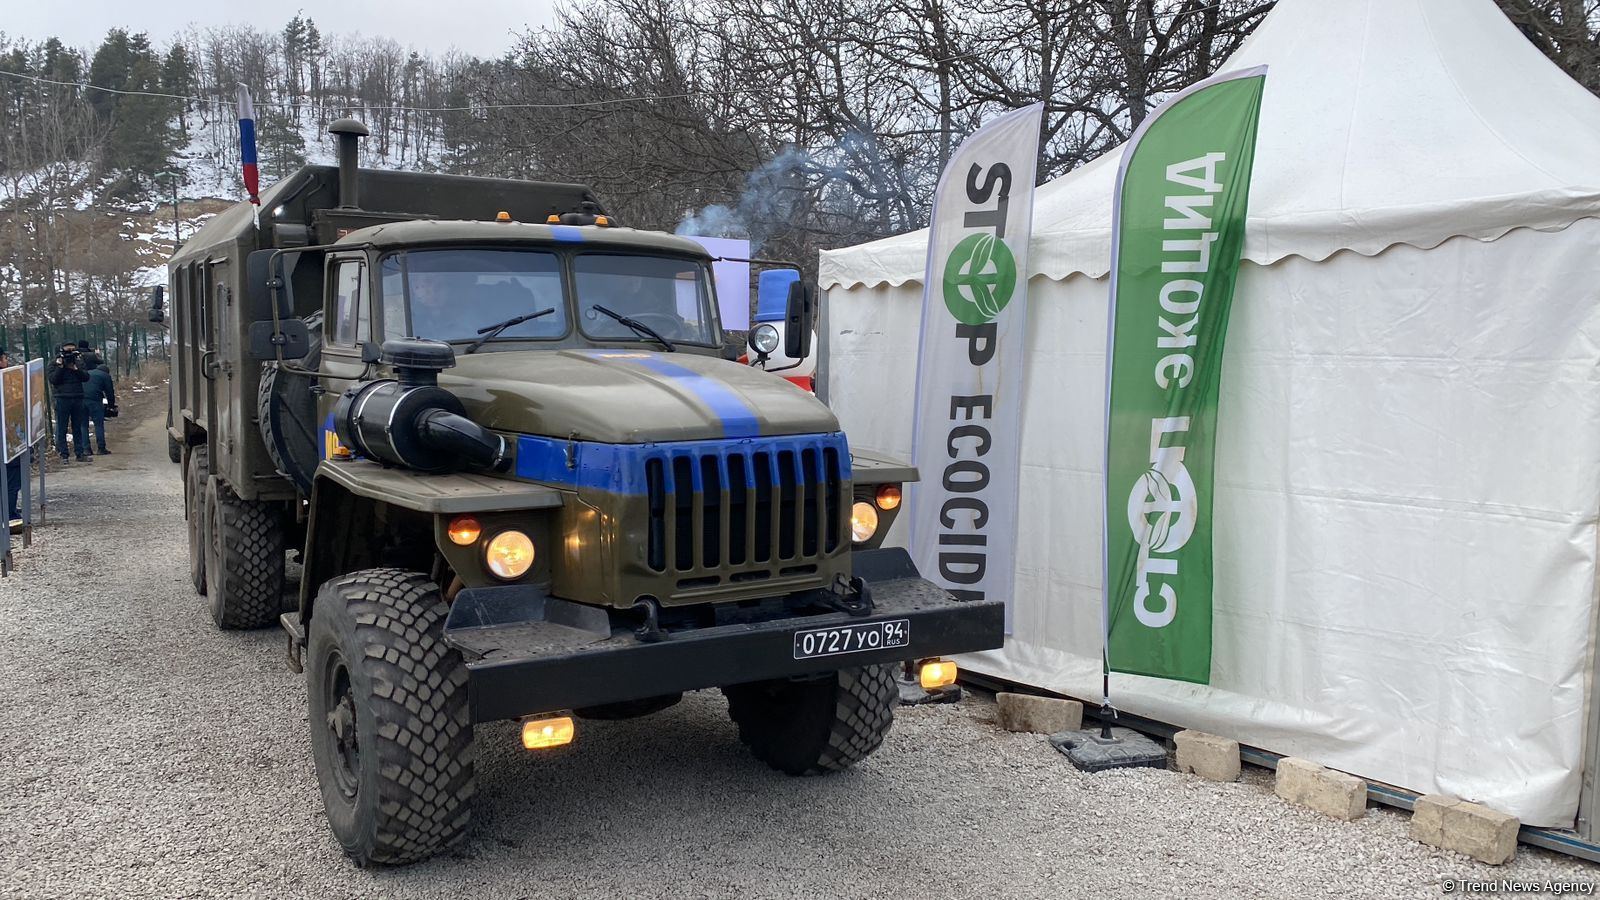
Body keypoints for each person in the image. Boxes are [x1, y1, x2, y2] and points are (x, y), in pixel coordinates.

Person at [47, 342, 90, 463]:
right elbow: (53, 380)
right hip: (62, 397)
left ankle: (79, 453)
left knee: (77, 426)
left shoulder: (78, 362)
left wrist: (76, 369)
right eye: (67, 351)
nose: (70, 354)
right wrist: (60, 368)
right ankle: (64, 454)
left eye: (72, 350)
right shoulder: (54, 363)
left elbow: (86, 377)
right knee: (62, 427)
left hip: (77, 396)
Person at [1, 348, 20, 523]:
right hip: (7, 437)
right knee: (12, 475)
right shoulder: (7, 381)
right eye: (5, 358)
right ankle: (9, 512)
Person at [84, 361, 116, 455]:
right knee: (98, 424)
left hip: (81, 400)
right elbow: (110, 392)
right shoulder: (105, 376)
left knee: (83, 425)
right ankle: (101, 448)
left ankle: (86, 449)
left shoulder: (88, 372)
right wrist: (111, 406)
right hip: (95, 401)